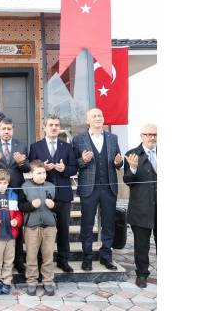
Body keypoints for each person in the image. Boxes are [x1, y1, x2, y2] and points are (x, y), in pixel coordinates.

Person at [72, 108, 123, 272]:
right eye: (94, 116)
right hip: (89, 188)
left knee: (108, 224)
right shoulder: (79, 139)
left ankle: (106, 257)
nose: (97, 118)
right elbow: (74, 164)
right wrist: (83, 160)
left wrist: (118, 163)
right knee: (87, 224)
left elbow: (118, 162)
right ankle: (87, 258)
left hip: (109, 187)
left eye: (100, 115)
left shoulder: (112, 138)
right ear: (88, 120)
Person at [28, 115, 79, 273]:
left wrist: (64, 169)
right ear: (44, 127)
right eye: (51, 125)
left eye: (57, 125)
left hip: (63, 194)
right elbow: (31, 168)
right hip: (42, 194)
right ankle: (40, 261)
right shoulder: (35, 146)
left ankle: (63, 260)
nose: (54, 127)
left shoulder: (67, 146)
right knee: (41, 229)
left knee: (63, 229)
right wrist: (42, 168)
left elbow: (74, 168)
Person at [0, 118, 29, 273]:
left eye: (9, 129)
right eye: (3, 129)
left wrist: (22, 162)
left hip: (15, 192)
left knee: (16, 225)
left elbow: (28, 167)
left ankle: (18, 261)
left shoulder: (21, 145)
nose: (6, 131)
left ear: (13, 130)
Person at [18, 160, 60, 296]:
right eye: (39, 173)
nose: (42, 176)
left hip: (49, 226)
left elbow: (59, 205)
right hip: (32, 226)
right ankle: (31, 281)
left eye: (44, 173)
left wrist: (53, 205)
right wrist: (30, 206)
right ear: (31, 173)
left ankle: (48, 281)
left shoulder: (52, 186)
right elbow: (20, 205)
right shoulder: (24, 186)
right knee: (31, 255)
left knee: (48, 255)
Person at [123, 124, 157, 289]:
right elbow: (127, 181)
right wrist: (133, 167)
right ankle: (142, 274)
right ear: (141, 136)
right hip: (140, 208)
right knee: (141, 245)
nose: (152, 137)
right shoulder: (131, 154)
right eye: (148, 134)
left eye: (155, 135)